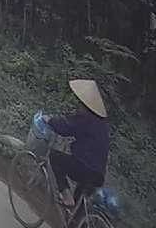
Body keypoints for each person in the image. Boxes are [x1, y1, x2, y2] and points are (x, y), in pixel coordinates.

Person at [45, 79, 110, 212]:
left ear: (86, 105)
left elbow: (66, 127)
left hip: (84, 167)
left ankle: (66, 195)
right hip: (98, 174)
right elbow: (72, 122)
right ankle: (75, 223)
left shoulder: (86, 119)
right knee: (77, 206)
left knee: (54, 157)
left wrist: (50, 120)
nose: (78, 105)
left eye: (80, 103)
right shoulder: (101, 123)